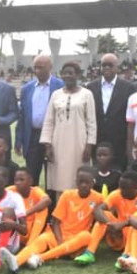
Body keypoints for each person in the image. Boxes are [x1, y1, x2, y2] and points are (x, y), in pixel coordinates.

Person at [0, 166, 102, 274]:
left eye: (87, 182)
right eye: (80, 181)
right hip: (59, 236)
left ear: (93, 183)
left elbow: (106, 212)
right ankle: (16, 260)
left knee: (86, 236)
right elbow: (56, 222)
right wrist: (60, 241)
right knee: (41, 240)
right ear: (76, 181)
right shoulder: (67, 195)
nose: (83, 185)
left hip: (77, 239)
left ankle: (41, 258)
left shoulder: (98, 198)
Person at [41, 61, 96, 194]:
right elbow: (49, 121)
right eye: (65, 73)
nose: (67, 76)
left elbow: (91, 122)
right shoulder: (56, 94)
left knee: (77, 175)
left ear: (78, 75)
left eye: (71, 73)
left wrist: (89, 146)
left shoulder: (86, 94)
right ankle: (61, 209)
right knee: (59, 177)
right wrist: (47, 146)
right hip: (58, 143)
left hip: (79, 143)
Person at [76, 170, 137, 265]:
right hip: (119, 235)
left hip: (136, 237)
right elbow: (97, 210)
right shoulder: (116, 194)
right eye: (120, 186)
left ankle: (127, 256)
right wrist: (111, 224)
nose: (121, 190)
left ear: (135, 187)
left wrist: (123, 224)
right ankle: (89, 253)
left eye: (124, 188)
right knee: (104, 215)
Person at [16, 54, 64, 183]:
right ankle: (33, 201)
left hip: (53, 137)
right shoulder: (27, 89)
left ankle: (51, 202)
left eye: (41, 68)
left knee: (53, 176)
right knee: (31, 175)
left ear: (50, 67)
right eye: (35, 68)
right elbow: (22, 117)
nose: (37, 71)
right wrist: (18, 140)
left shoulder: (61, 86)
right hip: (32, 137)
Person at [87, 53, 136, 170]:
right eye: (104, 65)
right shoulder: (91, 87)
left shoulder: (128, 87)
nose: (107, 67)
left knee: (119, 174)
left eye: (110, 65)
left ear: (117, 67)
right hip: (98, 140)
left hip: (119, 141)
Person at [7, 168, 51, 247]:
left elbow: (47, 200)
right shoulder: (11, 190)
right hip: (17, 230)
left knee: (43, 209)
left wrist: (25, 213)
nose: (18, 183)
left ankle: (31, 243)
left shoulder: (36, 191)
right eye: (16, 180)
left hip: (32, 229)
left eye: (21, 180)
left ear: (30, 182)